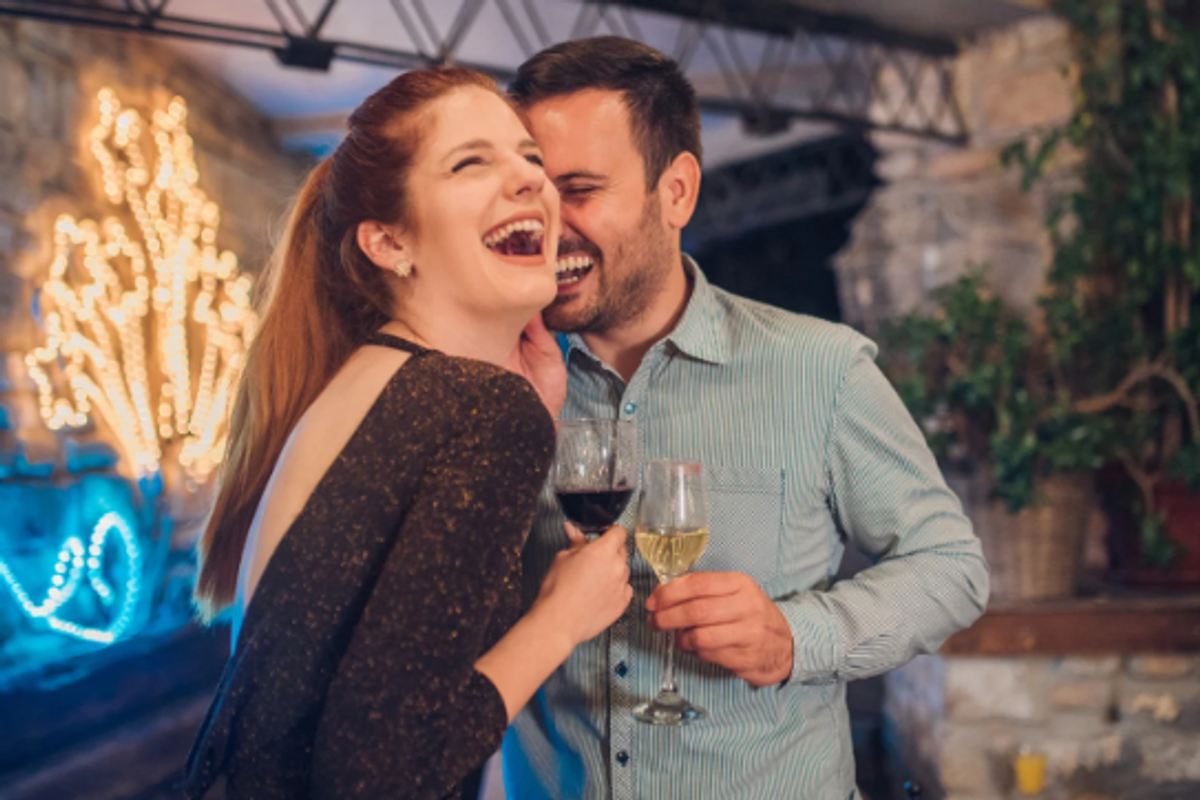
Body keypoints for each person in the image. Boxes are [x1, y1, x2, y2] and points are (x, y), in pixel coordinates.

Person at [500, 37, 990, 800]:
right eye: (534, 194)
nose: (549, 224)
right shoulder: (487, 387)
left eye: (581, 189)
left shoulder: (820, 369)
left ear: (677, 192)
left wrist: (795, 638)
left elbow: (951, 568)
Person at [182, 68, 632, 800]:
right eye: (471, 163)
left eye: (529, 157)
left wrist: (530, 415)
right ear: (389, 241)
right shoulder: (479, 410)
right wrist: (561, 619)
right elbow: (376, 774)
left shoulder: (372, 381)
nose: (531, 179)